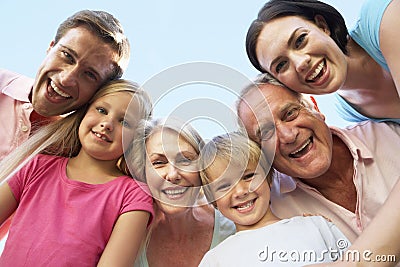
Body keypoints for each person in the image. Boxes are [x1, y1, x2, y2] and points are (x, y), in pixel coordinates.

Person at [0, 79, 153, 266]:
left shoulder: (133, 195)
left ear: (136, 138)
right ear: (85, 112)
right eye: (102, 110)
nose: (107, 124)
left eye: (124, 121)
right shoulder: (36, 167)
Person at [236, 73, 400, 243]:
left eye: (290, 113)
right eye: (267, 133)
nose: (288, 136)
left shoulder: (390, 135)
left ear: (315, 107)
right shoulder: (273, 212)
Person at [198, 131, 349, 266]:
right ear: (213, 200)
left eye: (249, 176)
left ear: (269, 178)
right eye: (224, 186)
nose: (241, 191)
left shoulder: (318, 226)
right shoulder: (214, 260)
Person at [0, 9, 130, 161]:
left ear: (99, 91)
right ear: (51, 47)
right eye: (67, 56)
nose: (66, 79)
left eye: (89, 74)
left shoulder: (80, 152)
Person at [246, 0, 400, 124]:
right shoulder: (349, 112)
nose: (301, 63)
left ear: (322, 26)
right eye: (281, 65)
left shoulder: (384, 19)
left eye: (300, 40)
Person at [130, 117, 235, 267]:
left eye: (185, 160)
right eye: (159, 163)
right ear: (143, 173)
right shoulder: (130, 238)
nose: (173, 175)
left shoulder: (232, 227)